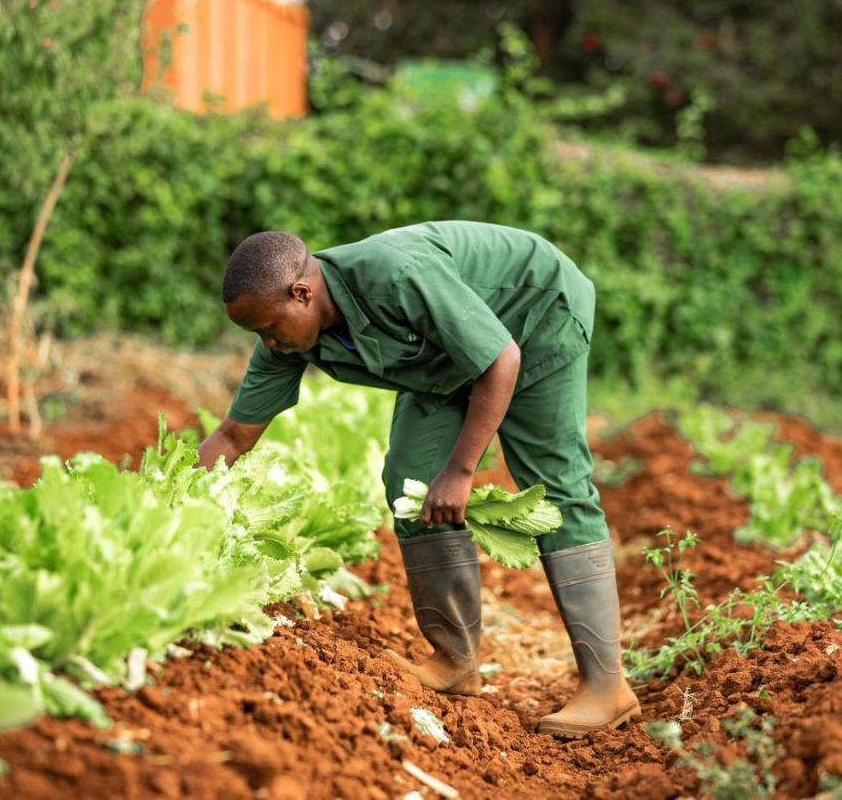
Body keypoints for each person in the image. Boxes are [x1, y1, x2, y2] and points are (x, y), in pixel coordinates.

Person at [196, 220, 639, 737]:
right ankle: (455, 660)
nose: (267, 341)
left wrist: (461, 470)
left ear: (302, 292)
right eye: (257, 333)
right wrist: (178, 502)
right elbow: (233, 436)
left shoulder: (397, 275)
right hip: (446, 355)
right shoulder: (285, 332)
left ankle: (607, 687)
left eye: (269, 327)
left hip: (534, 314)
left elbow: (500, 358)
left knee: (555, 481)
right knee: (410, 484)